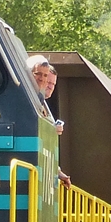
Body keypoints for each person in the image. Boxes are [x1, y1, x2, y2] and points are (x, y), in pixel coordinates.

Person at [26, 55, 70, 186]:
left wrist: (57, 171)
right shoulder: (28, 100)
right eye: (38, 74)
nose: (44, 81)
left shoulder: (41, 104)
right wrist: (50, 130)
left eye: (46, 78)